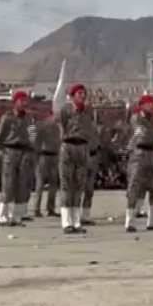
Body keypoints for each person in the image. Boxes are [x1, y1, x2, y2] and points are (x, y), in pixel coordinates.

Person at [0, 90, 34, 227]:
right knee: (8, 184)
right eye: (21, 100)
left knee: (22, 185)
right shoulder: (7, 118)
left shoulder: (28, 118)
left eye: (25, 100)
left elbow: (33, 136)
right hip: (10, 151)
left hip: (24, 152)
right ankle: (2, 217)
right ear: (15, 102)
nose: (24, 103)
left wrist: (33, 151)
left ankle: (16, 217)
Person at [124, 94, 153, 232]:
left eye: (152, 103)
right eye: (149, 103)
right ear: (142, 105)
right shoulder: (137, 118)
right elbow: (142, 134)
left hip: (151, 154)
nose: (152, 106)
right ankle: (129, 221)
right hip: (139, 153)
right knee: (134, 186)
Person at [55, 83, 92, 234]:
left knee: (79, 185)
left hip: (82, 147)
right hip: (68, 146)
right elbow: (60, 125)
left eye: (84, 93)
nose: (82, 96)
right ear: (72, 96)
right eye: (79, 93)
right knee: (66, 184)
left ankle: (76, 221)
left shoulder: (87, 113)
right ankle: (66, 222)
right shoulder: (65, 111)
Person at [33, 110, 60, 218]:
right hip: (43, 155)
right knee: (40, 183)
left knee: (53, 184)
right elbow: (36, 141)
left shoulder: (58, 127)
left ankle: (50, 208)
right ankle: (36, 208)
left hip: (54, 155)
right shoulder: (43, 127)